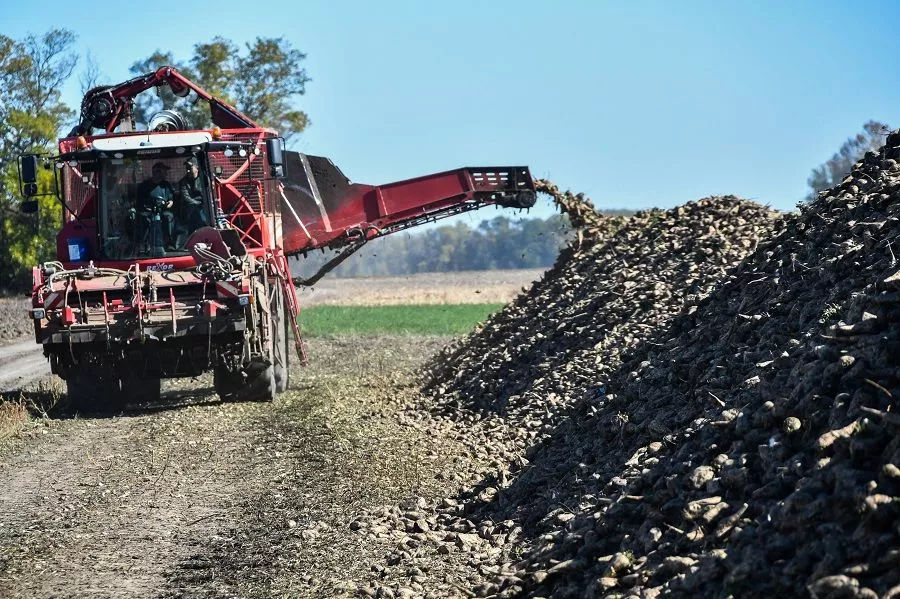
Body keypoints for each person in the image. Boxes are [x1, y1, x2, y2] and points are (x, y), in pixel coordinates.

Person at [136, 161, 176, 252]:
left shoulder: (166, 185)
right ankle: (144, 244)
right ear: (156, 172)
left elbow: (171, 199)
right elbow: (139, 202)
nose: (166, 173)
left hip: (163, 211)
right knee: (144, 219)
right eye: (164, 171)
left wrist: (169, 203)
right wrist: (146, 208)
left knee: (169, 217)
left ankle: (169, 243)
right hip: (148, 211)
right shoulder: (144, 186)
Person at [177, 156, 207, 234]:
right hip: (189, 208)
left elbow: (208, 195)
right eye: (186, 168)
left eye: (190, 168)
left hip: (205, 206)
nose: (187, 170)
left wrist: (203, 204)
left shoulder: (205, 180)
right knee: (196, 211)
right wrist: (198, 204)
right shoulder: (183, 182)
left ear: (197, 168)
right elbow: (186, 198)